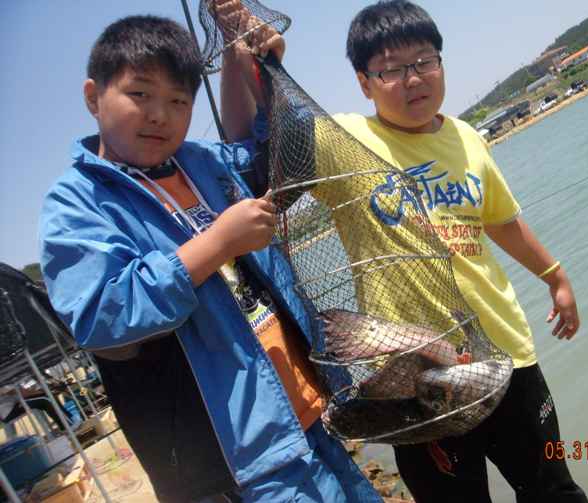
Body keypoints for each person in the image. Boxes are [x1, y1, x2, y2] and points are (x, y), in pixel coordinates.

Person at [228, 1, 588, 502]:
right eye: (391, 69)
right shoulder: (342, 138)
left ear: (441, 63)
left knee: (554, 490)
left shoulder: (466, 137)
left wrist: (555, 276)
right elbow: (248, 144)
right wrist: (251, 61)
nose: (413, 79)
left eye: (424, 61)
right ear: (364, 83)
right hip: (411, 380)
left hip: (505, 352)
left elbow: (502, 223)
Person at [38, 7, 382, 503]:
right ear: (94, 97)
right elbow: (102, 316)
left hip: (310, 416)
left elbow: (280, 158)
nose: (160, 114)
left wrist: (260, 68)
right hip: (241, 466)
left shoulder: (200, 162)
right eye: (140, 94)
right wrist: (218, 243)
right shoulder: (77, 203)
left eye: (179, 101)